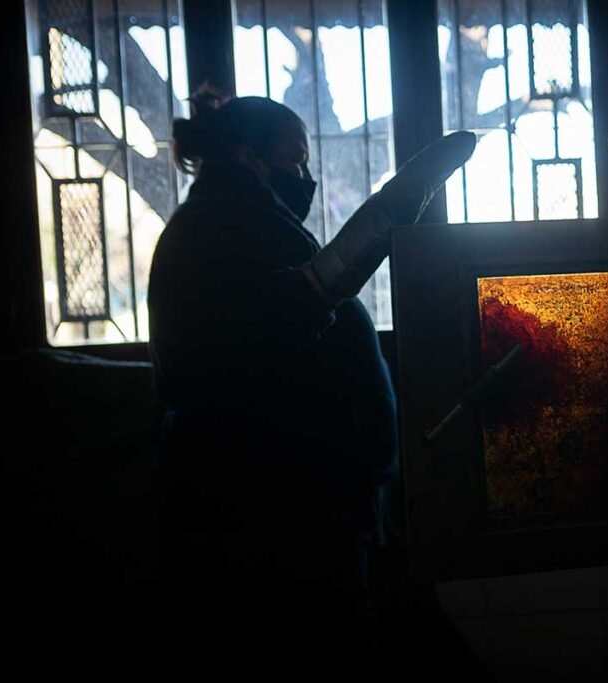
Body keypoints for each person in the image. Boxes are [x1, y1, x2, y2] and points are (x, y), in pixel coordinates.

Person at [148, 88, 474, 672]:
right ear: (249, 157)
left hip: (317, 513)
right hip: (277, 524)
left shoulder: (239, 221)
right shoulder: (215, 228)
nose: (306, 177)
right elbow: (255, 335)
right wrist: (374, 226)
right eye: (296, 161)